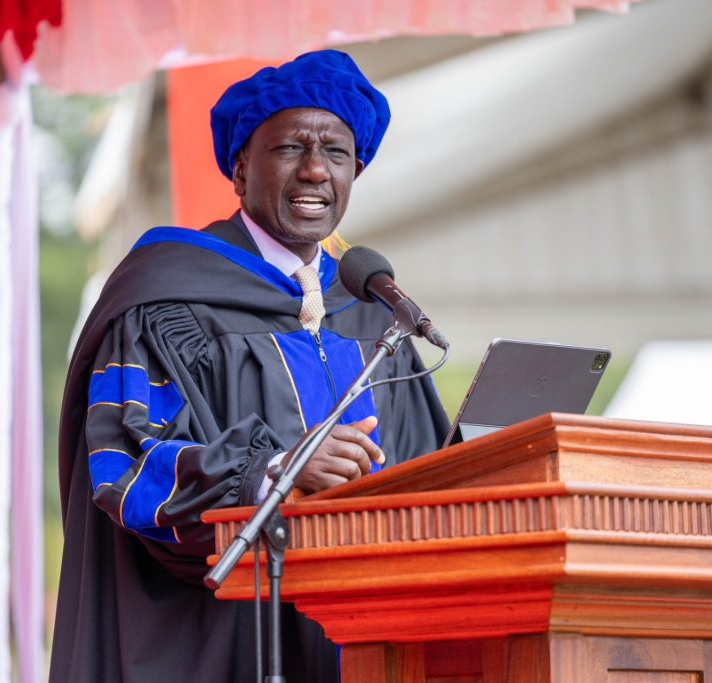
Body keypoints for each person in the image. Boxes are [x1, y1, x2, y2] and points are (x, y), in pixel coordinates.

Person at [49, 50, 450, 682]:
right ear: (240, 170)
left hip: (367, 649)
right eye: (291, 148)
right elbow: (125, 465)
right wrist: (271, 473)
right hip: (225, 643)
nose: (315, 170)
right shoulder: (168, 300)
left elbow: (430, 477)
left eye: (336, 153)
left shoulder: (372, 313)